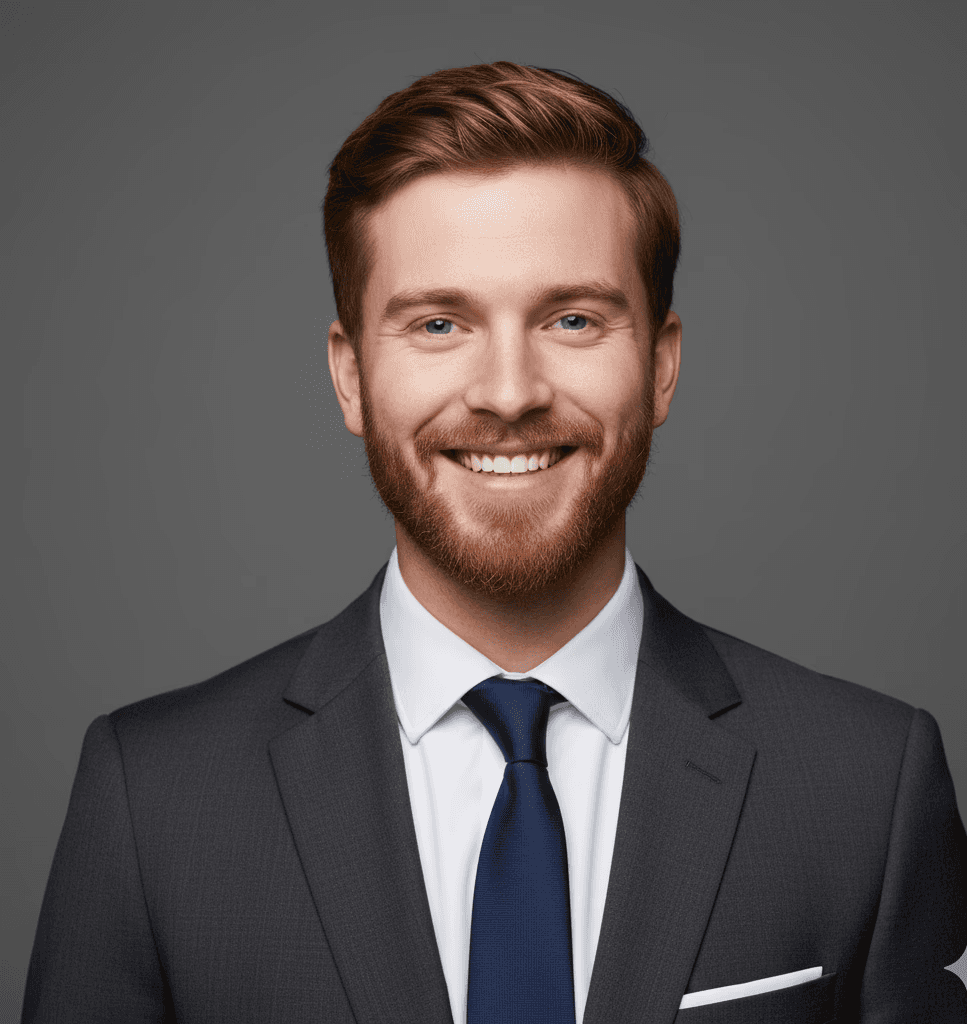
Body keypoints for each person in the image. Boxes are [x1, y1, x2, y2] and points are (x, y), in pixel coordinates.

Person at [22, 61, 966, 1024]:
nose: (508, 391)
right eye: (438, 323)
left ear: (661, 365)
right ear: (351, 377)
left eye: (572, 319)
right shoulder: (154, 797)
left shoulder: (866, 785)